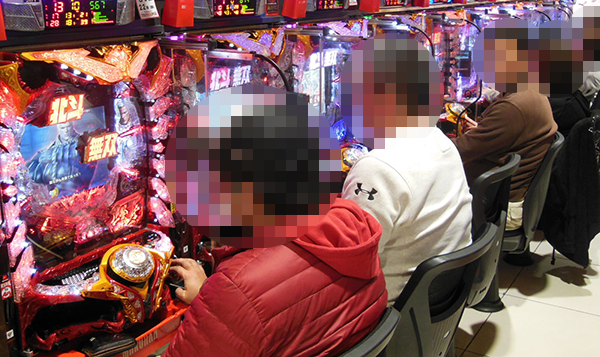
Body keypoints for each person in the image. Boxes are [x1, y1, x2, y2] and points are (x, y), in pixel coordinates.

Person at [163, 85, 387, 357]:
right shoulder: (352, 224)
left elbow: (248, 307)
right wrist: (211, 303)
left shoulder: (236, 290)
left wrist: (212, 301)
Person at [339, 34, 473, 306]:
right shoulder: (439, 140)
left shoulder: (377, 168)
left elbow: (347, 264)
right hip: (434, 297)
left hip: (387, 306)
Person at [452, 19, 559, 230]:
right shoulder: (528, 90)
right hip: (499, 195)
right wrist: (484, 131)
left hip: (493, 204)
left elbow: (457, 151)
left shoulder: (513, 106)